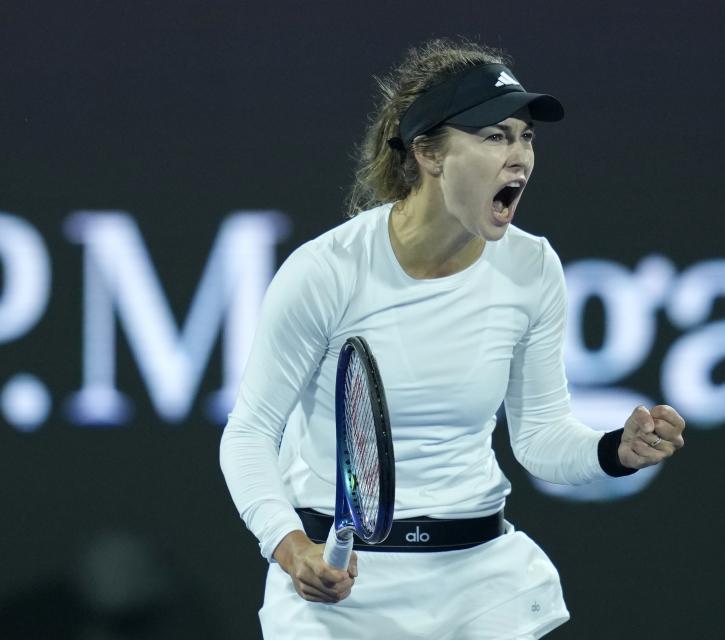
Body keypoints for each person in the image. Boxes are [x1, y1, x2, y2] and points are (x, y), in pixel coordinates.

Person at [219, 38, 686, 640]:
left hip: (480, 587)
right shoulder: (326, 272)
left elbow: (540, 436)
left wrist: (613, 451)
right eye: (494, 136)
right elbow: (250, 433)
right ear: (429, 154)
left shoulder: (532, 267)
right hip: (340, 593)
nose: (519, 156)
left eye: (526, 137)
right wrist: (289, 548)